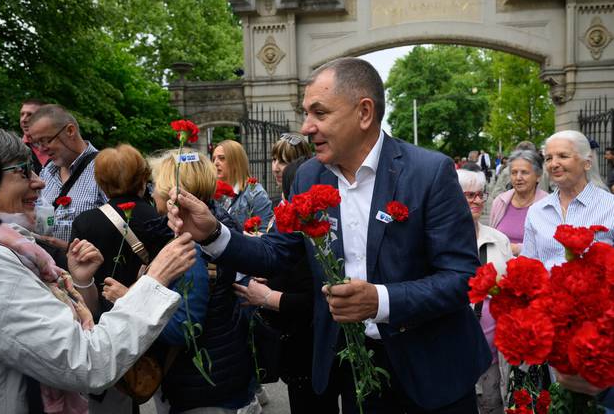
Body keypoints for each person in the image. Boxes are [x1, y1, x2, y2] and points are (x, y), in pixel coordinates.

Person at [168, 57, 490, 413]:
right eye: (305, 113)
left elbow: (463, 279)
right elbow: (277, 253)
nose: (306, 127)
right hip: (356, 376)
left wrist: (380, 301)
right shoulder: (308, 176)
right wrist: (213, 232)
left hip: (434, 373)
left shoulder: (429, 173)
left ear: (364, 113)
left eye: (319, 113)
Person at [0, 128, 198, 413]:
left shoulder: (23, 249)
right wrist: (153, 281)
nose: (39, 182)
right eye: (25, 172)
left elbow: (65, 326)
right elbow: (86, 361)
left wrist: (81, 281)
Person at [150, 149, 256, 414]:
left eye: (156, 185)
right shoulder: (215, 225)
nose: (151, 192)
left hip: (203, 385)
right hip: (222, 370)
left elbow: (184, 330)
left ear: (171, 191)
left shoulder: (189, 245)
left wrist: (134, 302)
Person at [233, 157, 337, 413]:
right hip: (304, 348)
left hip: (308, 347)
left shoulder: (311, 233)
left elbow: (313, 297)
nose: (275, 167)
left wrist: (268, 297)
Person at [71, 144, 170, 314]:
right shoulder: (160, 219)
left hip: (101, 315)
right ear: (143, 179)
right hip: (149, 314)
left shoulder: (84, 222)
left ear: (101, 182)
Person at [457, 168, 512, 414]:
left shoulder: (499, 239)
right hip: (454, 352)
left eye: (481, 194)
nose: (478, 200)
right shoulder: (439, 240)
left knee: (492, 406)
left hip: (491, 353)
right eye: (470, 195)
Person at [522, 130, 614, 270]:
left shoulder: (610, 207)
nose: (554, 164)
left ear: (587, 163)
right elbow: (527, 268)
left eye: (563, 156)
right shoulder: (537, 211)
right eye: (548, 158)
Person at [28, 104, 107, 246]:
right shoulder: (45, 173)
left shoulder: (105, 168)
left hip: (94, 266)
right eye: (36, 143)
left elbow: (123, 228)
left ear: (70, 131)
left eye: (45, 141)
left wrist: (69, 250)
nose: (41, 149)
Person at [489, 150, 549, 256]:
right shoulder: (500, 201)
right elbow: (491, 238)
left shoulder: (548, 205)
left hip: (535, 269)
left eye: (524, 172)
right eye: (514, 172)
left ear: (538, 176)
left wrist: (518, 249)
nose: (518, 178)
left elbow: (552, 246)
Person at [212, 139, 273, 232]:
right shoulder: (213, 193)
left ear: (237, 162)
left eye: (222, 158)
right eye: (213, 159)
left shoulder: (256, 194)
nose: (215, 163)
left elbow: (265, 234)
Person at [270, 132, 312, 205]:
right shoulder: (271, 205)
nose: (275, 169)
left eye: (283, 162)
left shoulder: (312, 209)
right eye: (274, 159)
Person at [19, 98, 49, 174]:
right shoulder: (14, 149)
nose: (23, 119)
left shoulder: (61, 146)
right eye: (22, 114)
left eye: (30, 115)